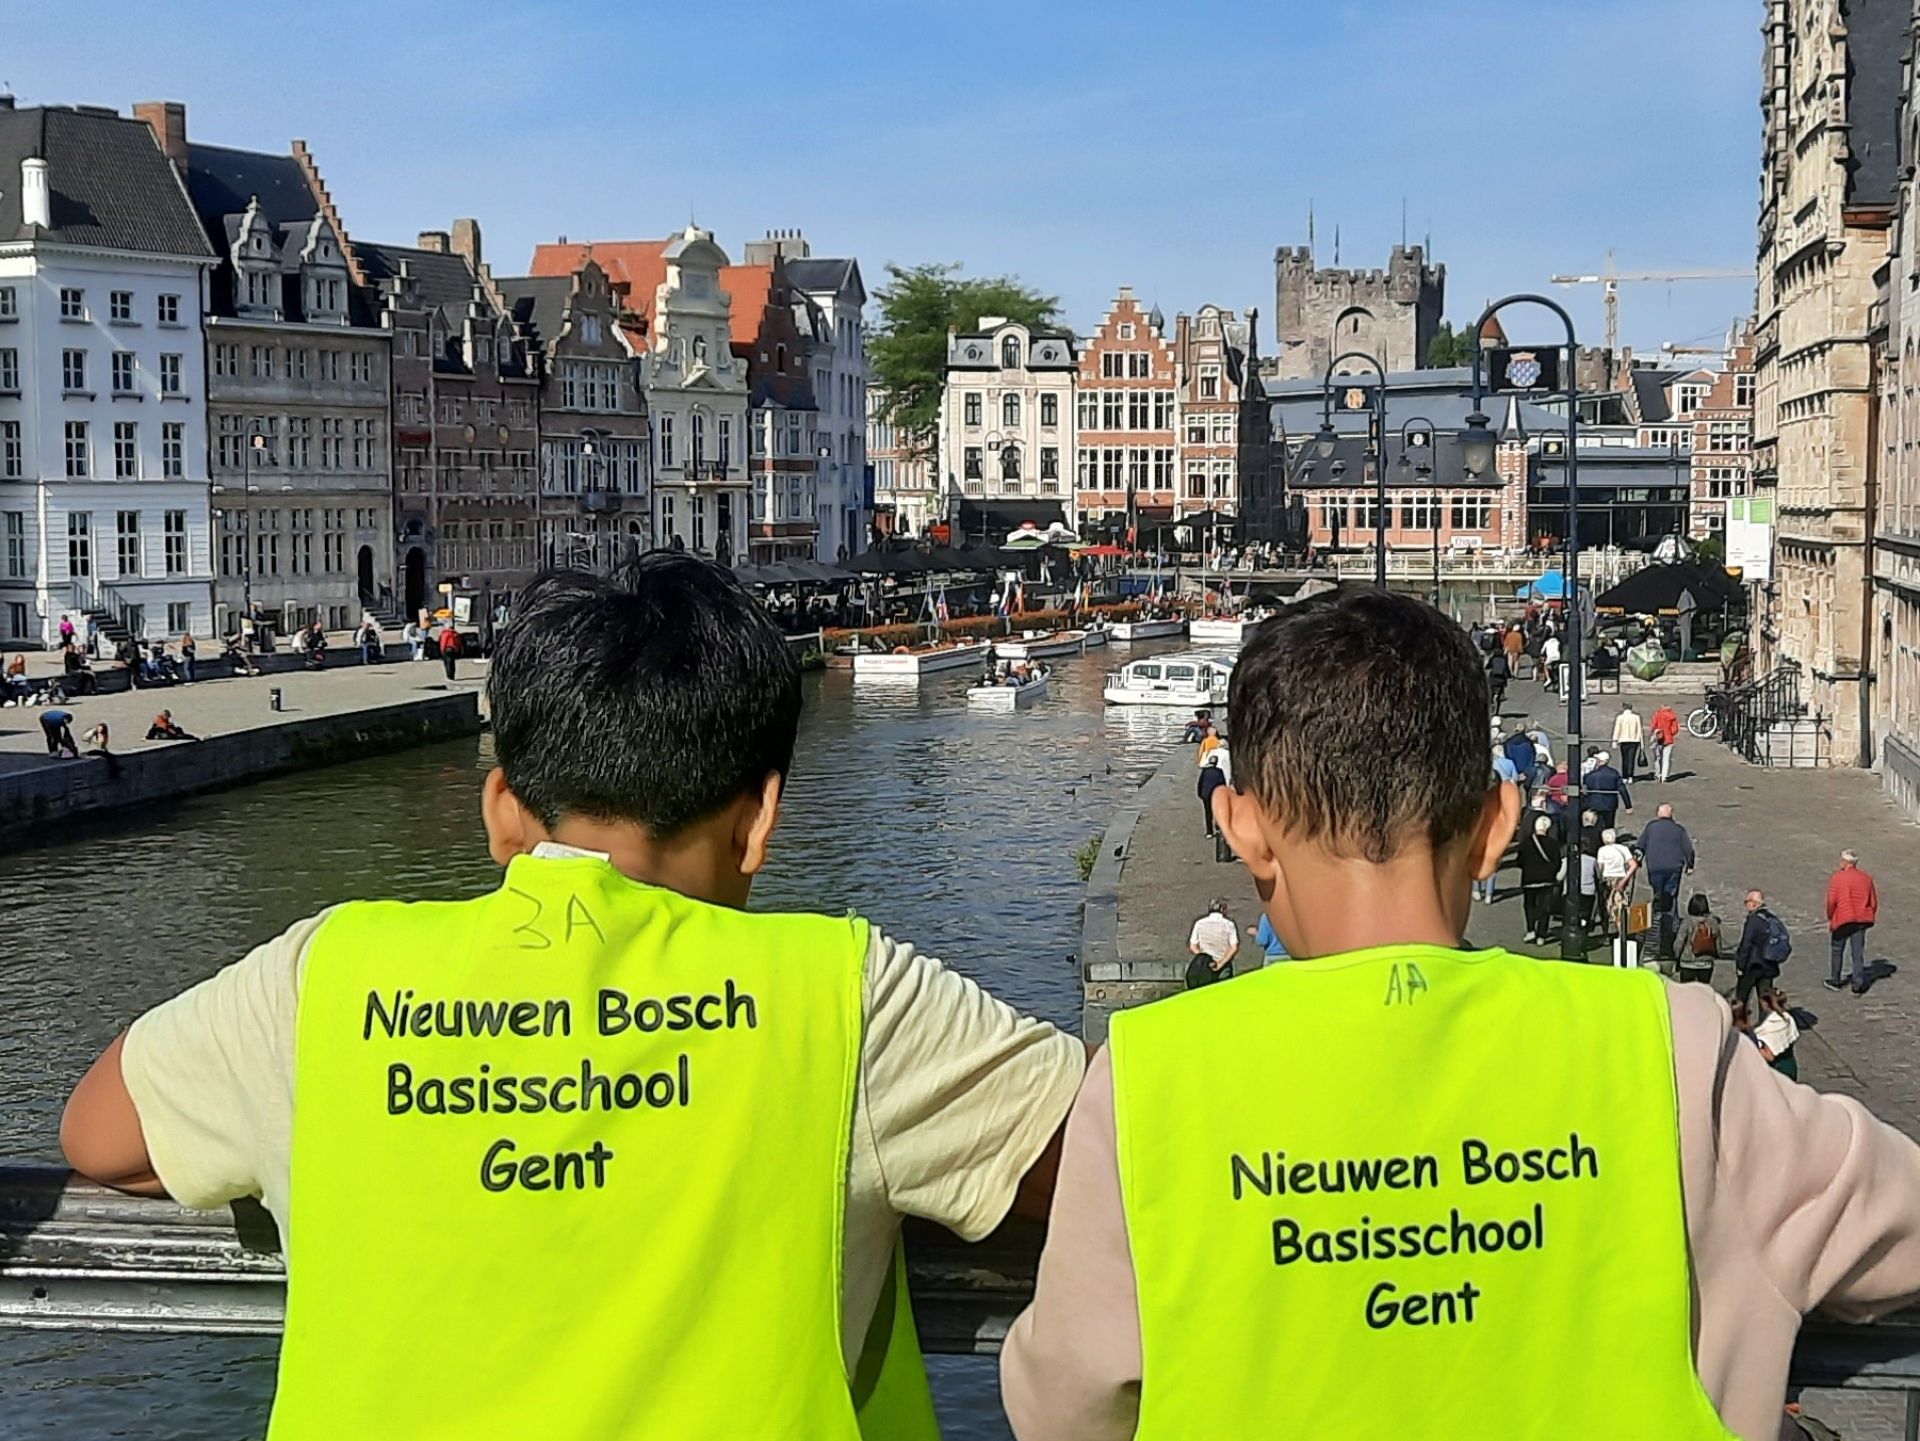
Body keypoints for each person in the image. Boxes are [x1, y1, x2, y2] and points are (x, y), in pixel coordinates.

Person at [61, 556, 1087, 1439]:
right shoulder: (845, 998)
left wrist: (311, 1153)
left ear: (503, 810)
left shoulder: (326, 978)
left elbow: (101, 1134)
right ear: (760, 818)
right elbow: (1117, 1154)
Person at [1002, 587, 1920, 1441]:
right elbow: (1899, 1225)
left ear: (1242, 826)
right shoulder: (1665, 1046)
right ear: (1496, 826)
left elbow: (1064, 1401)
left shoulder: (1148, 1077)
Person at [1637, 802, 1695, 959]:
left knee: (1658, 895)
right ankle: (1669, 926)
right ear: (1672, 815)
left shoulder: (1650, 827)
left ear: (1658, 814)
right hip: (1673, 867)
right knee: (1671, 897)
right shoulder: (1679, 830)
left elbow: (1640, 845)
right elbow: (1688, 849)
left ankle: (1655, 923)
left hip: (1655, 867)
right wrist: (1690, 865)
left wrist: (1638, 860)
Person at [1822, 848, 1879, 995]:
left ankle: (1835, 979)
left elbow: (1831, 900)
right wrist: (1869, 914)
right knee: (1857, 952)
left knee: (1837, 949)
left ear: (1845, 862)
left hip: (1843, 918)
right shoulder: (1866, 878)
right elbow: (1873, 902)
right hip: (1861, 919)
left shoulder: (1838, 878)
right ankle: (1858, 984)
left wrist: (1830, 916)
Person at [1734, 889, 1792, 1007]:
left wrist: (1740, 965)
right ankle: (1765, 1023)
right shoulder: (1770, 918)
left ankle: (1740, 1022)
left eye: (1747, 902)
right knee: (1765, 1001)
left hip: (1752, 966)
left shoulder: (1753, 921)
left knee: (1741, 998)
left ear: (1754, 903)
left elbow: (1746, 944)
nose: (1746, 905)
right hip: (1768, 965)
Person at [1517, 812, 1562, 944]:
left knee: (1529, 905)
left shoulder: (1526, 843)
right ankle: (1542, 935)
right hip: (1547, 880)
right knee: (1544, 908)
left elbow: (1519, 861)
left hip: (1529, 880)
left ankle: (1531, 930)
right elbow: (1558, 862)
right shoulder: (1553, 844)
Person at [1186, 897, 1238, 985]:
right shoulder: (1229, 925)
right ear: (1222, 909)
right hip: (1223, 963)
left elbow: (1192, 946)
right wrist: (1220, 963)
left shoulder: (1199, 923)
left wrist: (1203, 956)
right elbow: (1234, 948)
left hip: (1204, 965)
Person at [1754, 988, 1801, 1082]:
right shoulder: (1788, 1018)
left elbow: (1769, 1055)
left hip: (1777, 1071)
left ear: (1766, 1004)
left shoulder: (1771, 1025)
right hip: (1791, 1066)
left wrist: (1751, 1046)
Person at [1676, 892, 1723, 986]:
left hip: (1688, 962)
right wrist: (1716, 955)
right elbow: (1717, 943)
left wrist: (1677, 956)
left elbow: (1679, 942)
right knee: (1704, 992)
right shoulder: (1713, 922)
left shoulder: (1687, 922)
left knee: (1687, 992)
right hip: (1706, 963)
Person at [1584, 748, 1632, 828]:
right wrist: (1628, 806)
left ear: (1599, 761)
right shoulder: (1614, 773)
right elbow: (1622, 789)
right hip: (1610, 804)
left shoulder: (1590, 775)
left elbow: (1585, 790)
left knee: (1595, 825)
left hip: (1594, 804)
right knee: (1609, 826)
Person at [1197, 741, 1230, 839]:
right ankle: (1219, 826)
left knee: (1208, 812)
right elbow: (1222, 782)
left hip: (1205, 794)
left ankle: (1209, 831)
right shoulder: (1219, 770)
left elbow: (1200, 783)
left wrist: (1200, 793)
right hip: (1216, 794)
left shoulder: (1205, 771)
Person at [1649, 701, 1681, 783]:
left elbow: (1652, 726)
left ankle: (1658, 773)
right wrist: (1669, 733)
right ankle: (1664, 776)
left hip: (1658, 739)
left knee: (1657, 758)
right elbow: (1675, 729)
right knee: (1666, 759)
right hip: (1669, 739)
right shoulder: (1672, 716)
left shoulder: (1657, 714)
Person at [1612, 701, 1644, 781]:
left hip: (1623, 740)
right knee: (1631, 758)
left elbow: (1617, 729)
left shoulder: (1620, 717)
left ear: (1623, 707)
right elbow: (1640, 730)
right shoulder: (1636, 717)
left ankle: (1624, 776)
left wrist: (1614, 740)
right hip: (1634, 740)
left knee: (1624, 758)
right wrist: (1641, 742)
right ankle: (1630, 776)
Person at [1485, 644, 1510, 715]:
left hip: (1492, 679)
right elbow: (1507, 670)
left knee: (1490, 694)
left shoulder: (1492, 659)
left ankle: (1491, 705)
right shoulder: (1504, 660)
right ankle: (1497, 711)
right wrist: (1509, 676)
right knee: (1499, 697)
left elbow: (1487, 667)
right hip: (1501, 680)